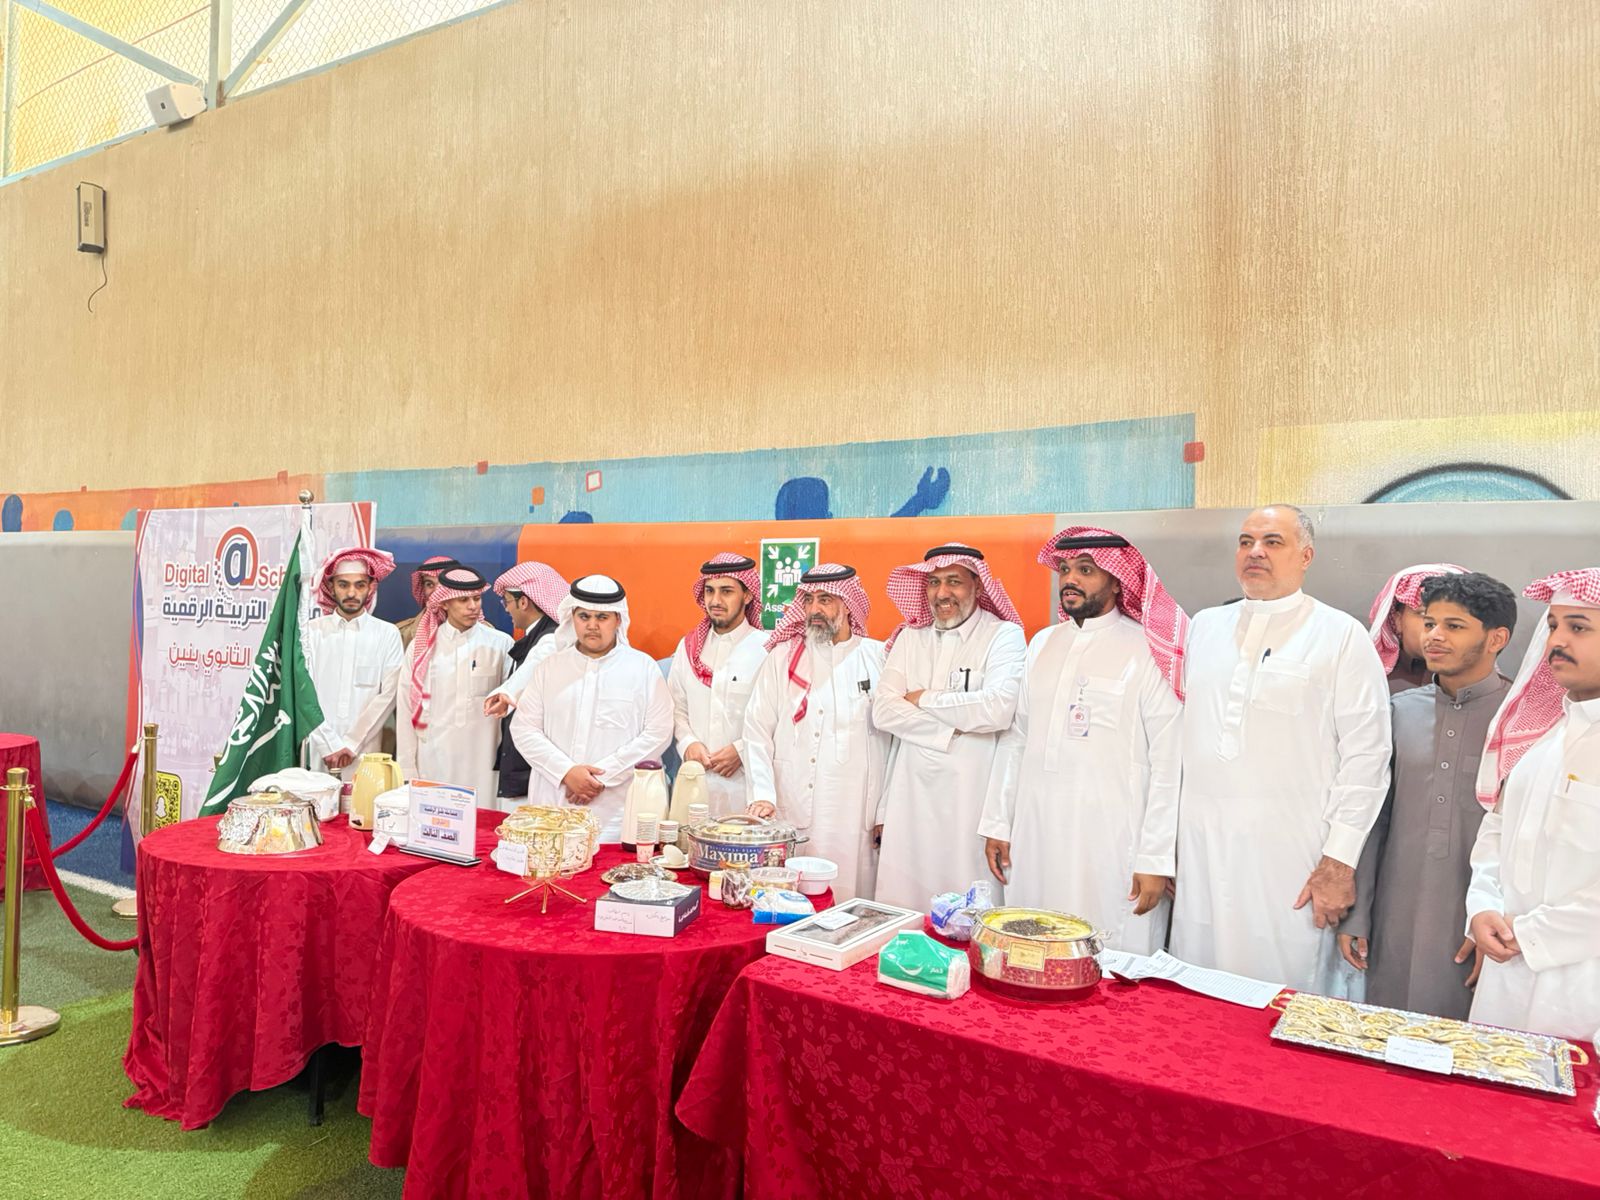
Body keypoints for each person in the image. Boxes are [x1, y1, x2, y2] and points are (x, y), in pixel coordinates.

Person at [1171, 504, 1391, 992]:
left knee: (1282, 989)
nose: (1255, 552)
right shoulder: (1204, 627)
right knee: (1198, 987)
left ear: (1306, 556)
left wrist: (1339, 861)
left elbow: (1368, 758)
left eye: (1273, 542)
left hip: (1294, 857)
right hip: (1202, 852)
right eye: (1246, 541)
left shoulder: (1340, 635)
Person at [980, 528, 1186, 953]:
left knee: (1110, 954)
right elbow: (1017, 738)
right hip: (1037, 830)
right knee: (1032, 943)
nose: (1070, 579)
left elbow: (1169, 761)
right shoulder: (1043, 643)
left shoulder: (1147, 649)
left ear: (1117, 580)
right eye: (1065, 569)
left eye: (1086, 570)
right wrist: (999, 823)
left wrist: (1155, 858)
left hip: (1113, 839)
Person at [1340, 572, 1516, 1018]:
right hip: (1396, 914)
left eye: (1453, 626)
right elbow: (1375, 819)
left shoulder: (1520, 723)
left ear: (1496, 638)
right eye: (1430, 622)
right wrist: (1358, 914)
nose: (1434, 636)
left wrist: (1501, 920)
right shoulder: (1399, 711)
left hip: (1481, 922)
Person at [1465, 569, 1600, 1041]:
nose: (1556, 641)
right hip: (1505, 974)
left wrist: (1530, 934)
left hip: (1582, 986)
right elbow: (1497, 829)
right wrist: (1482, 906)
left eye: (1578, 627)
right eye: (1554, 625)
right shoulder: (1542, 738)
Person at [870, 544, 1026, 910]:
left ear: (978, 585)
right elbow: (884, 711)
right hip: (908, 799)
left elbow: (997, 709)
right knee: (904, 905)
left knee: (965, 911)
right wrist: (951, 731)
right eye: (934, 582)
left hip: (969, 800)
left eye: (954, 581)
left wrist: (923, 698)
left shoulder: (1003, 636)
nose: (942, 593)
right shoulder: (911, 638)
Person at [744, 564, 888, 901]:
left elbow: (896, 745)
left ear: (848, 604)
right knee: (791, 900)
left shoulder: (878, 657)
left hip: (856, 815)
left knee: (848, 902)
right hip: (792, 804)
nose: (813, 609)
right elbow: (756, 730)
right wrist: (762, 794)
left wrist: (884, 812)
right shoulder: (783, 657)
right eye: (808, 600)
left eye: (825, 599)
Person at [508, 575, 673, 840]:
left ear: (618, 619)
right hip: (555, 803)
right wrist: (566, 772)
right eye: (584, 616)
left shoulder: (643, 669)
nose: (592, 625)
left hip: (617, 811)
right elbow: (524, 729)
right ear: (572, 617)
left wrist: (600, 777)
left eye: (602, 617)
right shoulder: (550, 668)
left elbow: (659, 732)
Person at [396, 565, 513, 804]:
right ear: (445, 603)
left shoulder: (501, 644)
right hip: (434, 762)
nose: (473, 606)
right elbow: (407, 710)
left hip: (484, 762)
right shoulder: (421, 648)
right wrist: (407, 768)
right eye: (463, 600)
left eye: (477, 598)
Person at [667, 553, 768, 812]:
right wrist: (688, 743)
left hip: (746, 789)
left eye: (727, 591)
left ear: (748, 595)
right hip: (694, 785)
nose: (715, 601)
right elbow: (676, 707)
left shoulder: (767, 649)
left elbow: (777, 717)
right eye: (710, 591)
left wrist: (741, 750)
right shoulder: (688, 647)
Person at [304, 547, 406, 783]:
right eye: (343, 585)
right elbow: (304, 693)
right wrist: (328, 744)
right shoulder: (312, 632)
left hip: (365, 751)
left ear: (371, 587)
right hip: (318, 748)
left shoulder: (387, 634)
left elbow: (389, 695)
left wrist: (350, 744)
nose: (352, 592)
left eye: (360, 585)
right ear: (331, 587)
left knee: (362, 804)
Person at [482, 561, 569, 807]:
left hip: (535, 770)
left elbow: (534, 665)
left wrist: (506, 693)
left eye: (507, 601)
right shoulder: (537, 636)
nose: (507, 609)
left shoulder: (551, 639)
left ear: (523, 602)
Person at [1367, 563, 1468, 693]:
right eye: (1424, 614)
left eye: (1453, 619)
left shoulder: (1482, 683)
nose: (1438, 630)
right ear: (1398, 621)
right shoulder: (1371, 681)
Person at [396, 556, 461, 648]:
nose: (437, 591)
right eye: (429, 584)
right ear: (423, 590)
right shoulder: (401, 633)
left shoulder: (480, 630)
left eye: (444, 584)